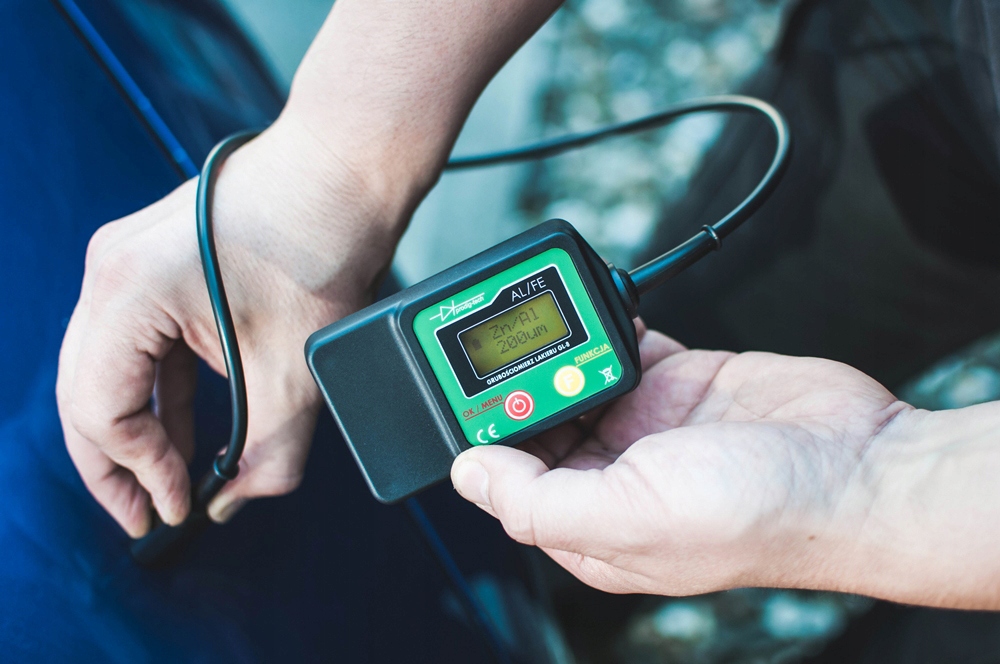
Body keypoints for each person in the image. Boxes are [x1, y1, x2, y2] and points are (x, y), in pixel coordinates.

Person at [56, 0, 1000, 622]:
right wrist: (327, 167)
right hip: (947, 71)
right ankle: (554, 611)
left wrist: (872, 499)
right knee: (667, 410)